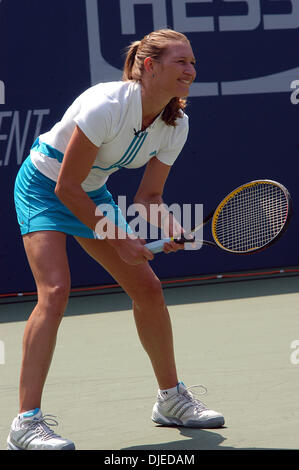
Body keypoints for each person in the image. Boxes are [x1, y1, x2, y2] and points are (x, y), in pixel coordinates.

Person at [8, 29, 224, 451]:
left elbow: (149, 197)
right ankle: (25, 423)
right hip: (44, 186)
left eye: (192, 62)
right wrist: (122, 239)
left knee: (148, 289)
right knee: (54, 292)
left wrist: (170, 227)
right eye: (181, 62)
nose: (191, 70)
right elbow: (66, 188)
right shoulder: (106, 105)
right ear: (149, 66)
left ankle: (170, 400)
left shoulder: (175, 123)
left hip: (90, 192)